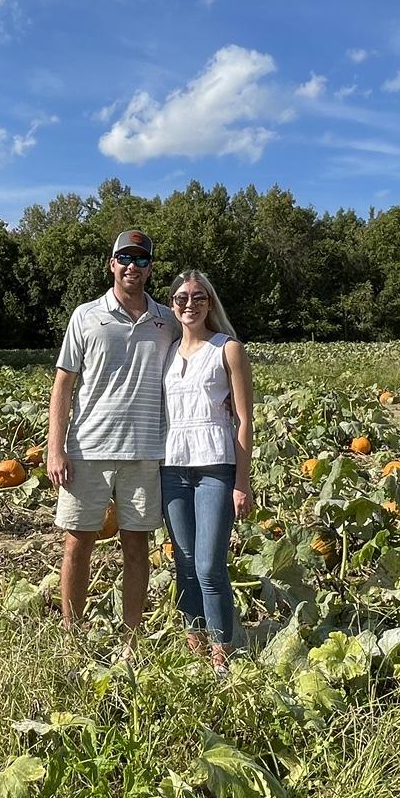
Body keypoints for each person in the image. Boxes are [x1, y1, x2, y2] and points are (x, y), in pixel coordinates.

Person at [47, 230, 181, 650]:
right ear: (111, 263)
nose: (132, 267)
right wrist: (55, 447)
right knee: (77, 542)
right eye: (125, 258)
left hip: (146, 452)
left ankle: (131, 639)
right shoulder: (86, 316)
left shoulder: (167, 320)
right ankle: (73, 635)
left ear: (150, 269)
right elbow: (63, 385)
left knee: (136, 545)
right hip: (87, 450)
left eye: (141, 261)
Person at [161, 271, 254, 675]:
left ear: (210, 303)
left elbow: (245, 420)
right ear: (172, 304)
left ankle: (222, 652)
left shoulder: (227, 349)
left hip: (216, 467)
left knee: (208, 566)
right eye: (182, 297)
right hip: (172, 468)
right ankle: (194, 642)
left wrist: (242, 482)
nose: (190, 304)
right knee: (182, 562)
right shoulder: (165, 352)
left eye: (199, 297)